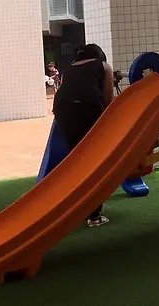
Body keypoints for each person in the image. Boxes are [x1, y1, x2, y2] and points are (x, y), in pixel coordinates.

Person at [53, 44, 114, 228]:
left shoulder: (68, 69)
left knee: (77, 160)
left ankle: (76, 207)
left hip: (62, 110)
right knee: (94, 163)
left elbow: (66, 91)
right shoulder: (104, 66)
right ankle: (93, 215)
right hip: (88, 109)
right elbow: (108, 101)